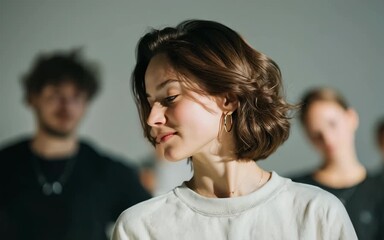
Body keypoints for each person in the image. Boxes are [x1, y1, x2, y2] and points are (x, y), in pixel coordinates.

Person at [112, 20, 357, 239]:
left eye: (170, 97)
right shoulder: (140, 228)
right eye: (150, 102)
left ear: (227, 99)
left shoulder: (316, 214)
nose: (152, 118)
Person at [0, 50, 151, 240]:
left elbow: (155, 224)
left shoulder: (108, 172)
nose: (67, 106)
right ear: (33, 98)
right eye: (55, 95)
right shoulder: (4, 165)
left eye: (76, 97)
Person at [292, 87, 384, 240]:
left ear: (351, 118)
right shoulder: (297, 189)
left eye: (332, 124)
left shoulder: (380, 189)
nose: (328, 139)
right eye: (317, 133)